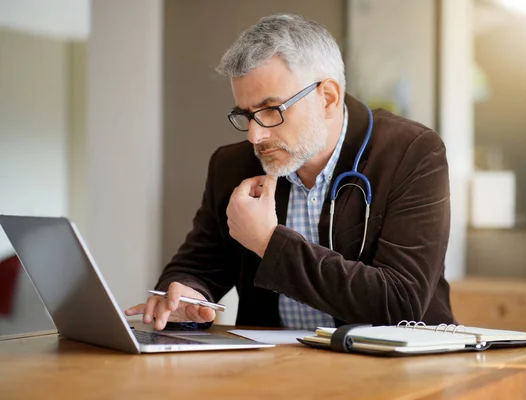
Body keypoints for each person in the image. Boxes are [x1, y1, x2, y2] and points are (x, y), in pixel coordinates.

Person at [125, 13, 455, 331]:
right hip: (277, 372)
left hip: (396, 375)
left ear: (327, 98)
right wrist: (187, 294)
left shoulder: (413, 153)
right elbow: (196, 266)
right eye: (246, 115)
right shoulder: (232, 166)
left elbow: (399, 303)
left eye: (271, 110)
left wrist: (269, 243)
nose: (255, 136)